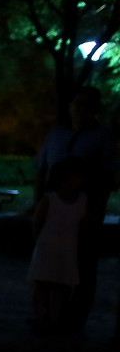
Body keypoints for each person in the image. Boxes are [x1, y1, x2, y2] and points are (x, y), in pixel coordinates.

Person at [34, 86, 117, 333]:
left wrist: (95, 210)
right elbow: (42, 169)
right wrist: (40, 202)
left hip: (83, 210)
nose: (79, 110)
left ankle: (73, 318)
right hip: (53, 209)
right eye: (76, 104)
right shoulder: (56, 134)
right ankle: (48, 315)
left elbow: (107, 176)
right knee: (50, 262)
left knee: (82, 264)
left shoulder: (103, 137)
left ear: (94, 110)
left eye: (85, 106)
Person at [28, 157, 90, 334]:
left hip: (67, 249)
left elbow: (83, 225)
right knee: (42, 284)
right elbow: (37, 222)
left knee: (59, 286)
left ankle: (55, 320)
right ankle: (40, 317)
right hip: (48, 246)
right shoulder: (50, 200)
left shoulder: (82, 201)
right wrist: (38, 241)